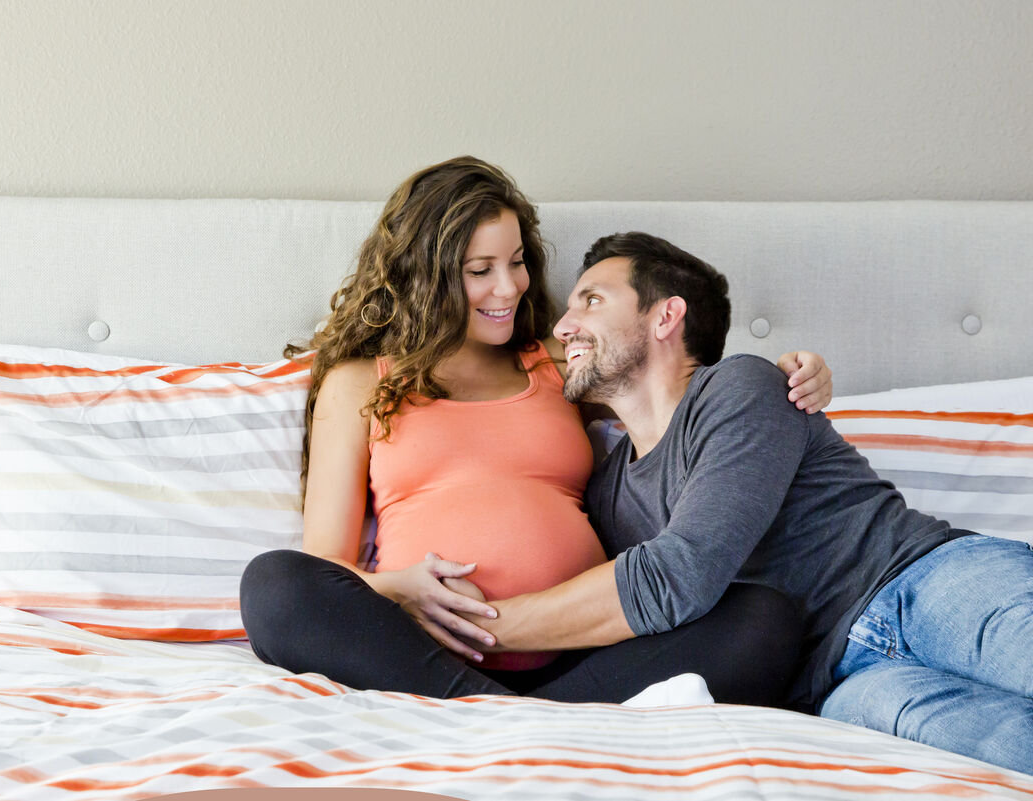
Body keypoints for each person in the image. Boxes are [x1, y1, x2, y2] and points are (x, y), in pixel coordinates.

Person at [240, 156, 830, 704]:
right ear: (423, 274)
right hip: (419, 652)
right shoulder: (359, 384)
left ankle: (498, 716)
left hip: (587, 656)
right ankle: (495, 710)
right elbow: (327, 564)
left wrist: (786, 377)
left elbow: (675, 398)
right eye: (480, 270)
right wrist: (400, 588)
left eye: (517, 261)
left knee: (765, 619)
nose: (509, 287)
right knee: (274, 584)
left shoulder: (559, 361)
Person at [464, 230, 1032, 774]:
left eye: (591, 300)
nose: (564, 326)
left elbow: (680, 573)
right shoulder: (607, 494)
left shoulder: (741, 387)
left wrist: (474, 626)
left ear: (666, 315)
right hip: (837, 682)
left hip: (922, 582)